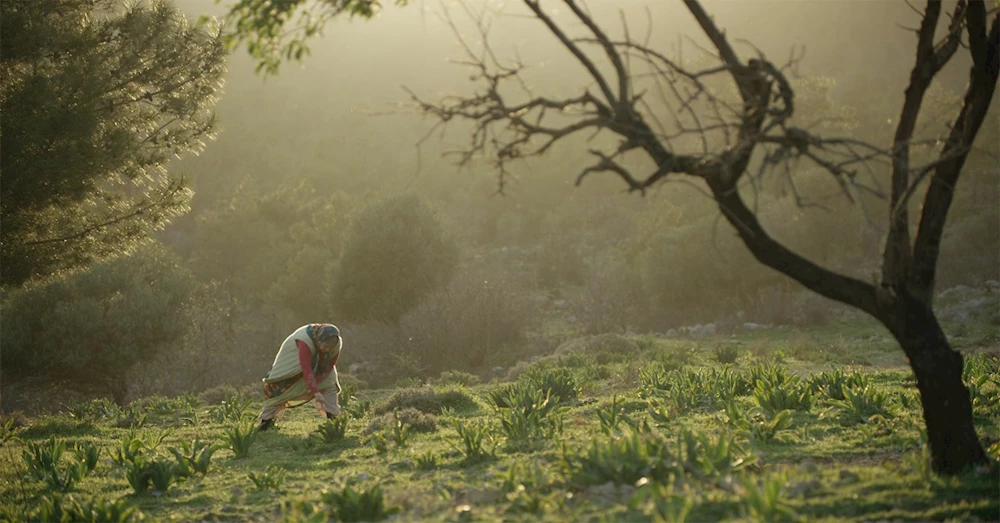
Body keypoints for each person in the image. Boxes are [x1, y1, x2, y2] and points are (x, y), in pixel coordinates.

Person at [257, 323, 343, 431]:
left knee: (330, 383)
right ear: (319, 340)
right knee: (277, 391)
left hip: (320, 365)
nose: (327, 350)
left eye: (330, 348)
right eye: (325, 346)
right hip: (294, 365)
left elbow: (330, 365)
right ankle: (265, 423)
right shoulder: (304, 341)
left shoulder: (336, 344)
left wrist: (318, 380)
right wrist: (316, 391)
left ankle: (333, 422)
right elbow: (306, 367)